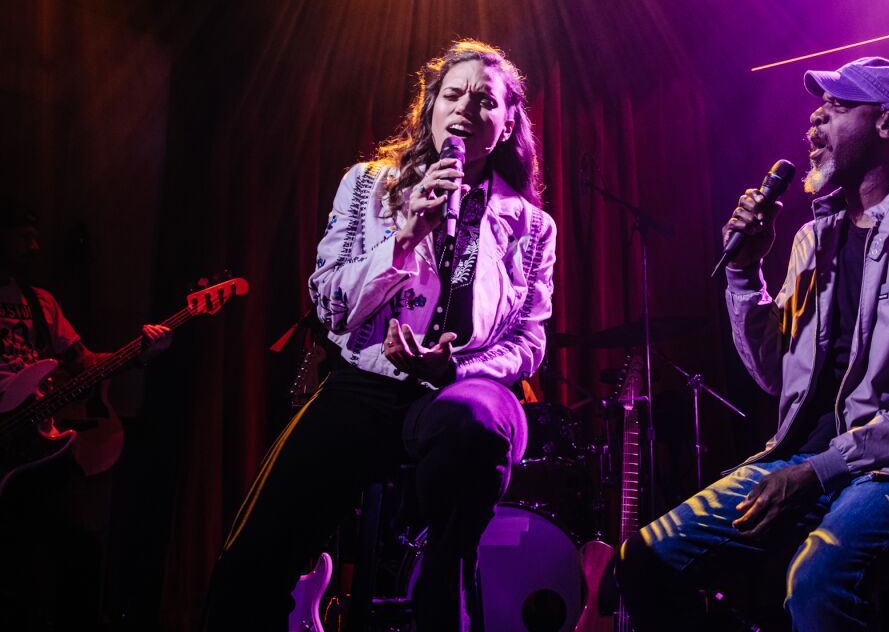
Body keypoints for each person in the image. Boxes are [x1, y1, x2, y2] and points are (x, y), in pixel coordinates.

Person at [618, 56, 889, 631]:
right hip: (806, 460)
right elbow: (777, 375)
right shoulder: (811, 240)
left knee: (819, 580)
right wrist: (744, 275)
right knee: (644, 561)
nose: (814, 125)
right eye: (815, 113)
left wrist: (821, 471)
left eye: (837, 109)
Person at [202, 40, 556, 631]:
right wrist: (405, 238)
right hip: (365, 382)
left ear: (508, 121)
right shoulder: (368, 185)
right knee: (254, 555)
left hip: (460, 389)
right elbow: (331, 303)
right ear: (430, 107)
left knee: (477, 421)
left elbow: (529, 341)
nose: (467, 107)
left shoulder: (531, 225)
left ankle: (437, 594)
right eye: (454, 93)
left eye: (486, 100)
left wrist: (459, 371)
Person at [0, 204, 171, 631]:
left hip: (35, 451)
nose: (34, 246)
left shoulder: (41, 304)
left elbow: (85, 364)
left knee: (73, 550)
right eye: (23, 235)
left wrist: (139, 353)